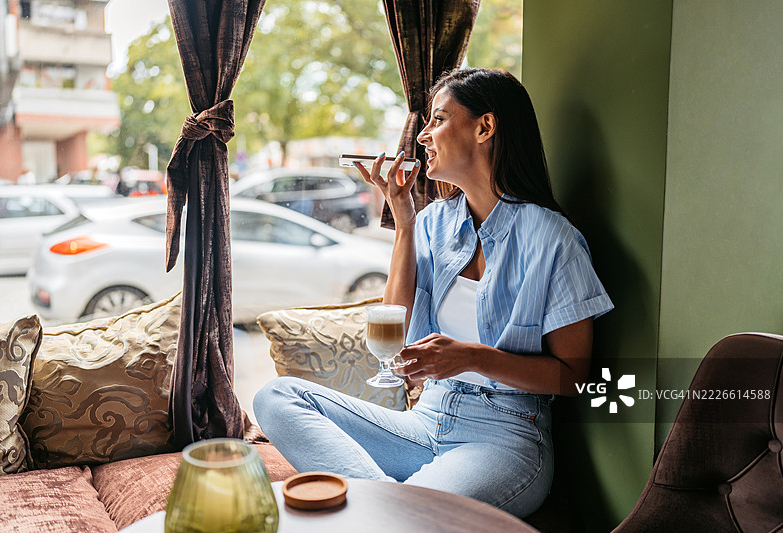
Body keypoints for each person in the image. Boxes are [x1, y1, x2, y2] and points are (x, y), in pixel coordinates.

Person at [253, 68, 613, 518]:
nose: (422, 135)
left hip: (506, 435)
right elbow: (396, 331)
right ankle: (390, 504)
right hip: (426, 420)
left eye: (438, 119)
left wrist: (472, 357)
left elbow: (576, 377)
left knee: (398, 515)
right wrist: (403, 221)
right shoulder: (432, 223)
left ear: (485, 127)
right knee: (278, 396)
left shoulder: (553, 239)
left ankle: (391, 509)